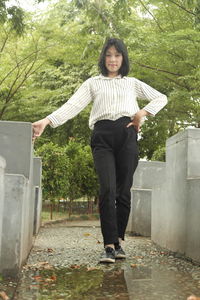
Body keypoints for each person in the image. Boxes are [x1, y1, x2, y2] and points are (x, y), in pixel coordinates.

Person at [32, 38, 167, 263]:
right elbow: (73, 105)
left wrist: (141, 114)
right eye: (108, 55)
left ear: (123, 58)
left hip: (127, 135)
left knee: (123, 191)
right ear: (103, 58)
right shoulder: (93, 83)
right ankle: (108, 246)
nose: (112, 59)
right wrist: (47, 121)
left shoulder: (132, 83)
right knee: (107, 189)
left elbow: (161, 97)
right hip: (102, 136)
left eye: (117, 55)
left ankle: (119, 242)